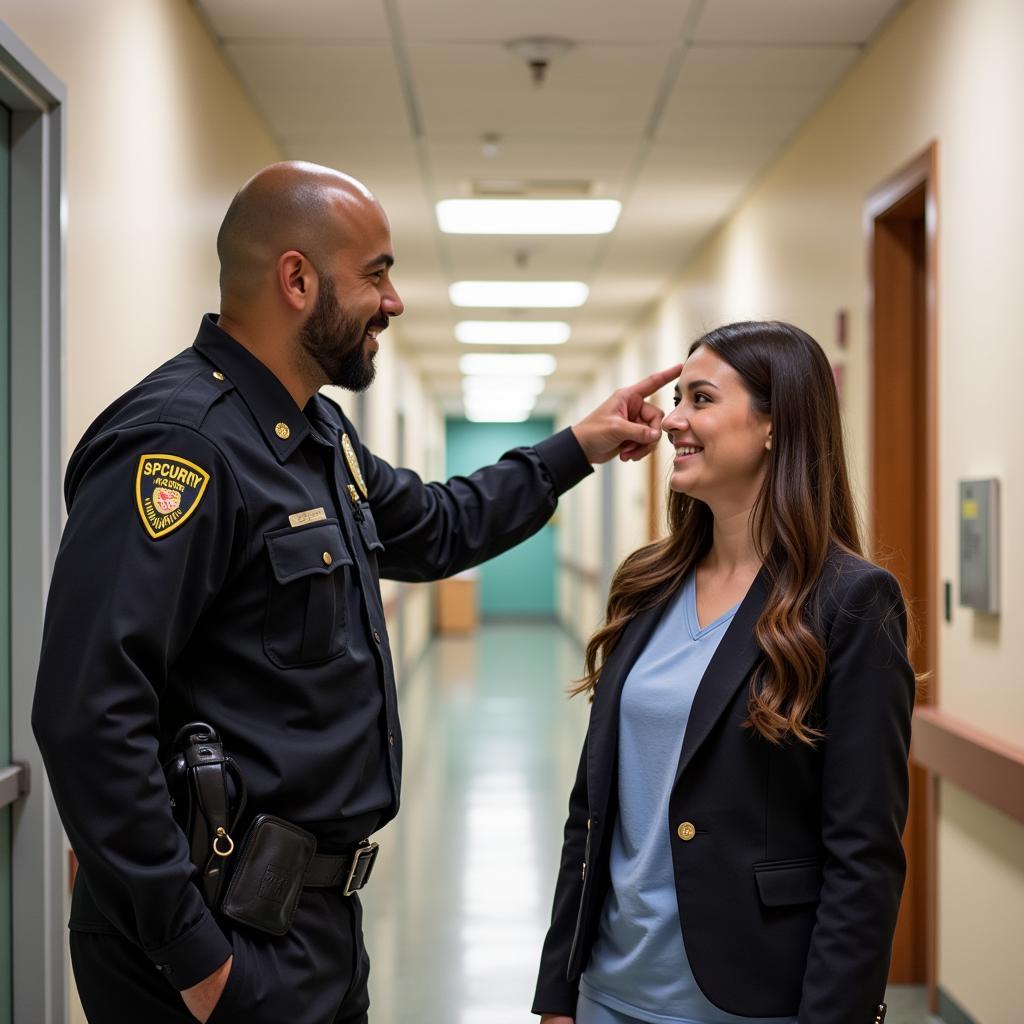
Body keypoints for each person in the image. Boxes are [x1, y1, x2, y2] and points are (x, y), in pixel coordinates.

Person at [31, 161, 681, 1023]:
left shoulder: (317, 436)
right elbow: (88, 711)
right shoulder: (179, 446)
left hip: (311, 918)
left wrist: (577, 446)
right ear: (297, 279)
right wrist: (196, 959)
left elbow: (439, 525)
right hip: (211, 937)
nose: (395, 300)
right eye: (376, 273)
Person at [533, 321, 916, 1024]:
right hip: (608, 990)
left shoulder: (849, 603)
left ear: (776, 426)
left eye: (700, 399)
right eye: (677, 398)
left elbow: (864, 855)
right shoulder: (646, 585)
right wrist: (558, 989)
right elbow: (589, 810)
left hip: (751, 997)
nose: (673, 419)